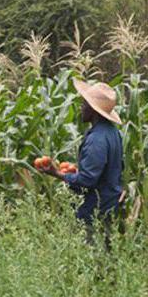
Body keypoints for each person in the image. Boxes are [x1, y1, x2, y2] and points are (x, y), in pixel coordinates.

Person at [39, 79, 126, 247]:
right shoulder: (112, 133)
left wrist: (56, 173)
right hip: (110, 204)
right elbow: (108, 169)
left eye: (84, 104)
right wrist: (77, 170)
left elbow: (87, 180)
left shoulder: (97, 139)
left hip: (96, 209)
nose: (81, 107)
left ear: (93, 110)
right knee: (106, 254)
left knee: (91, 257)